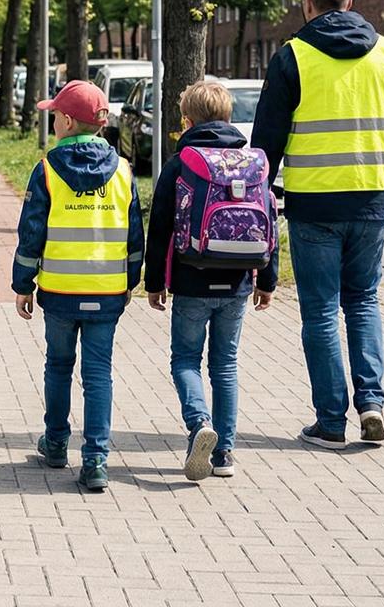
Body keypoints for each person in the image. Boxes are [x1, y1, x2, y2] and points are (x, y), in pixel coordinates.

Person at [254, 0, 384, 450]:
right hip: (373, 200)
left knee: (321, 311)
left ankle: (331, 421)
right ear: (349, 2)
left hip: (314, 204)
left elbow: (267, 140)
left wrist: (254, 199)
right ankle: (371, 404)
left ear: (307, 4)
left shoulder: (292, 57)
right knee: (364, 301)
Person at [12, 81, 144, 491]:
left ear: (68, 122)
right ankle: (96, 460)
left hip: (60, 291)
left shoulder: (48, 170)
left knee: (58, 365)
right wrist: (131, 281)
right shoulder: (123, 171)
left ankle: (55, 444)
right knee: (98, 373)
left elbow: (31, 233)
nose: (52, 121)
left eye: (54, 115)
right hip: (106, 291)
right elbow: (134, 235)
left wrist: (23, 283)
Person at [145, 81, 278, 481]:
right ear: (227, 116)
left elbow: (161, 227)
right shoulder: (252, 163)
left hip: (192, 278)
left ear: (187, 120)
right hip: (238, 281)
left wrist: (154, 282)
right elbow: (269, 220)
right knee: (225, 364)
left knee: (186, 359)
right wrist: (266, 281)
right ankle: (224, 454)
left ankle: (199, 422)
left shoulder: (181, 162)